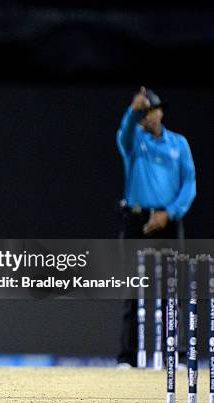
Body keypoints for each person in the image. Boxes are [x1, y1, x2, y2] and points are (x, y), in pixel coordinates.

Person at [115, 86, 196, 367]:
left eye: (151, 111)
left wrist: (170, 213)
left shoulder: (179, 144)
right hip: (137, 219)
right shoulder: (134, 141)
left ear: (161, 112)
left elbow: (189, 184)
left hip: (168, 222)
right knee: (132, 288)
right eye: (144, 113)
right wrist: (132, 110)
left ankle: (178, 355)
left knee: (174, 289)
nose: (148, 117)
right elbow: (124, 134)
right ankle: (127, 358)